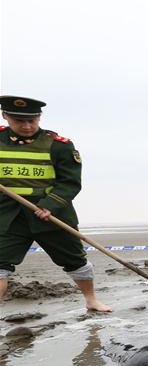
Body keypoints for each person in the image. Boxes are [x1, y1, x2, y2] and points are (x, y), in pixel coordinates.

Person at [0, 95, 112, 311]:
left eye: (32, 120)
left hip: (52, 214)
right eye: (19, 121)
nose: (27, 126)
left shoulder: (59, 145)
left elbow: (70, 182)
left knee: (75, 261)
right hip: (8, 216)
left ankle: (91, 300)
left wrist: (50, 204)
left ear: (39, 117)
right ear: (5, 116)